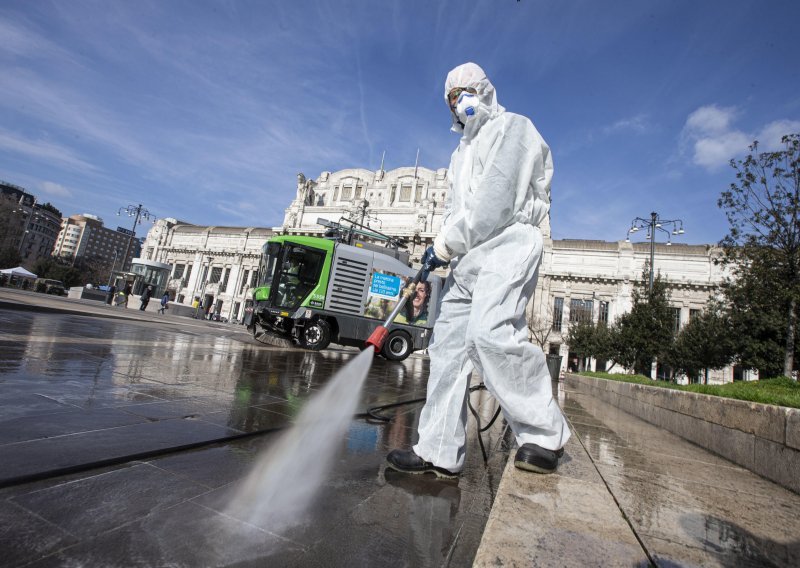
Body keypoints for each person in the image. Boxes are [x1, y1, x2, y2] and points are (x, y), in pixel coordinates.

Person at [387, 62, 570, 479]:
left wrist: (444, 245)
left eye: (466, 91)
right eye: (452, 98)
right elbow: (457, 212)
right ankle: (436, 449)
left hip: (508, 243)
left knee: (492, 334)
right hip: (468, 258)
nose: (459, 102)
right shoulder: (459, 154)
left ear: (485, 89)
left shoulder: (514, 129)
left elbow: (496, 201)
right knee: (447, 349)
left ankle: (543, 435)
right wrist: (442, 250)